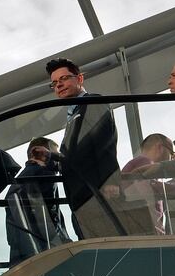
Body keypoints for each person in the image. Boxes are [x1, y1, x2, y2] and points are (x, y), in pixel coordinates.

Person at [48, 57, 122, 239]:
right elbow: (75, 153)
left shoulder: (92, 102)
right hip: (79, 196)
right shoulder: (73, 113)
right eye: (54, 83)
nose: (58, 85)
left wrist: (110, 181)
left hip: (97, 193)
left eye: (64, 79)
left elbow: (104, 141)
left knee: (106, 246)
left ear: (79, 79)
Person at [6, 138, 71, 263]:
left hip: (24, 252)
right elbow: (51, 216)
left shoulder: (19, 180)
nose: (56, 160)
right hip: (47, 249)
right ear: (39, 152)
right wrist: (65, 242)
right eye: (53, 153)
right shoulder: (45, 175)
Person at [117, 133, 175, 234]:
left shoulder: (134, 164)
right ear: (160, 147)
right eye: (172, 153)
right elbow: (147, 188)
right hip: (148, 232)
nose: (172, 158)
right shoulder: (145, 161)